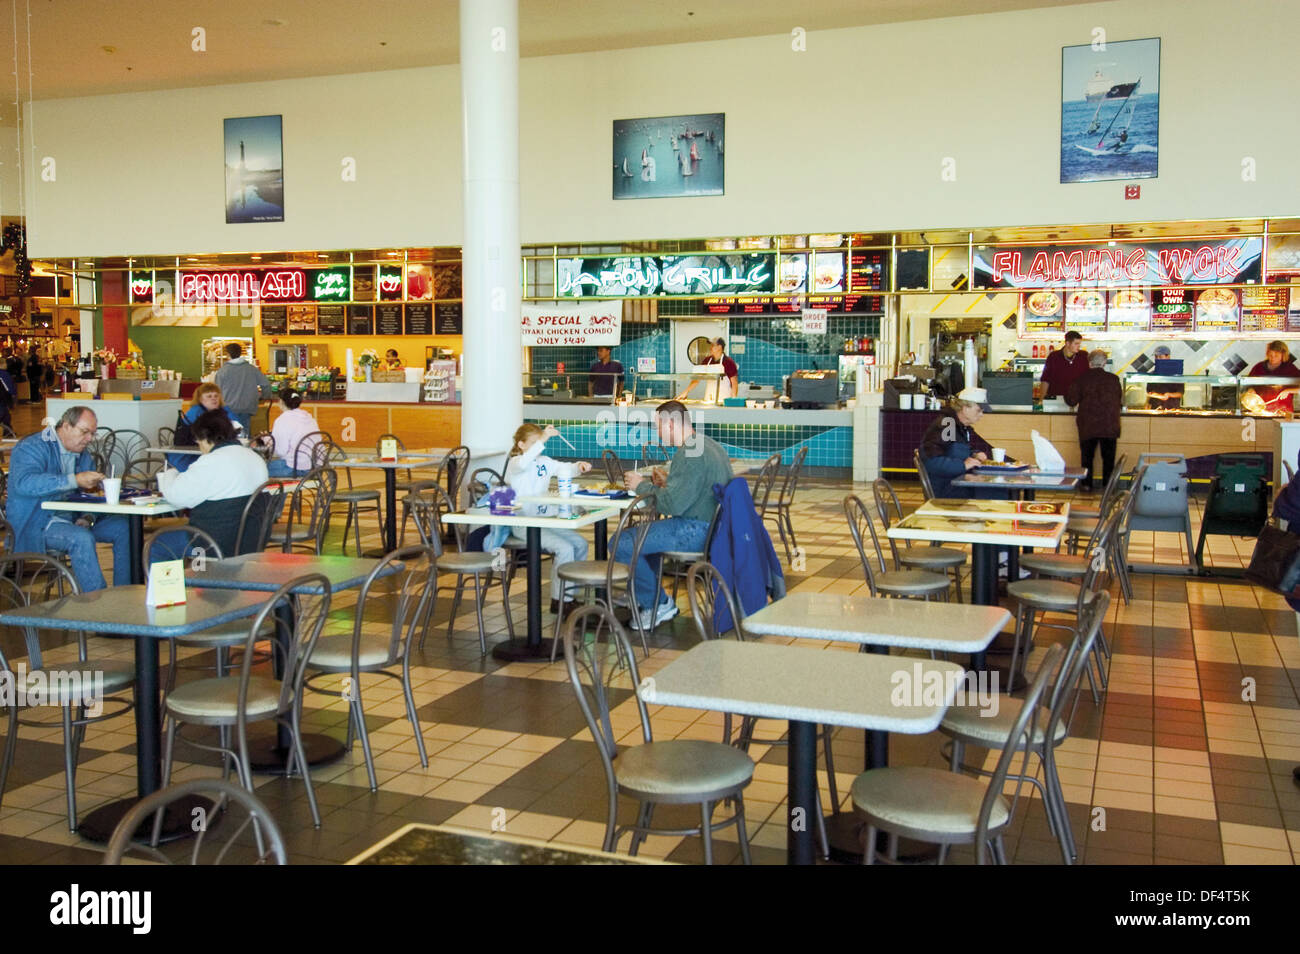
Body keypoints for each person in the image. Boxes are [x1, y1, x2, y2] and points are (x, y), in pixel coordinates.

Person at [619, 400, 732, 629]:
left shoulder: (688, 453)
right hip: (715, 528)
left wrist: (640, 485)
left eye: (658, 426)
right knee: (640, 543)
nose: (657, 432)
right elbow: (693, 487)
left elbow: (672, 505)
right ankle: (646, 594)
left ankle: (659, 604)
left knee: (621, 543)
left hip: (695, 529)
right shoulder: (707, 444)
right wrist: (668, 482)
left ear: (671, 424)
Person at [7, 405, 131, 592]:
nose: (89, 439)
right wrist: (74, 479)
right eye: (84, 432)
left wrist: (89, 516)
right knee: (80, 539)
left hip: (71, 519)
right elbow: (24, 483)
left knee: (123, 527)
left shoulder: (83, 455)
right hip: (34, 523)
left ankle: (125, 595)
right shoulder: (32, 447)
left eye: (92, 433)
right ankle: (99, 608)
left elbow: (88, 495)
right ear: (65, 426)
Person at [497, 423, 592, 615]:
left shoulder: (544, 461)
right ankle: (560, 601)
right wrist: (543, 439)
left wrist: (579, 467)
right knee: (564, 548)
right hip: (524, 523)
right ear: (521, 445)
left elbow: (565, 468)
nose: (538, 446)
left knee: (581, 545)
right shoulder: (516, 463)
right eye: (533, 443)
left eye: (539, 443)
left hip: (546, 520)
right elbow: (525, 462)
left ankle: (570, 594)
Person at [156, 409, 269, 557]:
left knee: (159, 545)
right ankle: (201, 576)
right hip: (253, 541)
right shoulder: (255, 458)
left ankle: (198, 576)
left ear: (205, 437)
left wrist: (170, 474)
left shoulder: (211, 461)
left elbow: (176, 497)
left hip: (212, 542)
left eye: (197, 440)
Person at [919, 386, 994, 499]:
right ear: (965, 408)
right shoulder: (947, 426)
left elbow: (953, 450)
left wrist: (973, 454)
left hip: (955, 484)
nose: (981, 415)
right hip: (947, 490)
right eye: (978, 410)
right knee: (996, 492)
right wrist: (962, 465)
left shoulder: (959, 426)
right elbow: (931, 461)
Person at [1066, 349, 1122, 492]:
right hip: (1109, 424)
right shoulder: (1114, 379)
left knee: (1087, 458)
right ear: (1104, 363)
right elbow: (1119, 400)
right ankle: (1108, 486)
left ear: (1089, 363)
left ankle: (1086, 485)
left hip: (1088, 424)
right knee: (1108, 459)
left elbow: (1071, 400)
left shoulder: (1082, 379)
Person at [167, 382, 240, 472]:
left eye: (216, 396)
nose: (213, 399)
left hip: (213, 451)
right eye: (209, 396)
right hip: (188, 454)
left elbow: (237, 426)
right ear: (200, 399)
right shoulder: (195, 413)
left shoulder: (224, 410)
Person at [213, 342, 271, 432]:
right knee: (244, 434)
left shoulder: (223, 371)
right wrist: (263, 396)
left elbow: (216, 391)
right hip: (247, 408)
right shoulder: (251, 369)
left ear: (228, 354)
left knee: (229, 434)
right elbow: (266, 384)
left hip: (229, 408)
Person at [262, 389, 319, 477]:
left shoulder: (282, 420)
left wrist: (268, 441)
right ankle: (282, 490)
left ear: (281, 402)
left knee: (258, 469)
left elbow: (281, 452)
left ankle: (278, 490)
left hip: (296, 468)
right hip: (316, 466)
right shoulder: (309, 417)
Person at [1241, 340, 1300, 412]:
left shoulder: (1290, 368)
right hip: (1260, 410)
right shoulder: (1259, 367)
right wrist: (1250, 390)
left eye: (1276, 356)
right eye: (1270, 355)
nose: (1273, 358)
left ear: (1283, 355)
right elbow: (1248, 383)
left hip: (1283, 411)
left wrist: (1288, 391)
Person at [1040, 330, 1088, 399]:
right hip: (1056, 398)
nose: (1079, 346)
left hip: (1078, 399)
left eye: (1079, 344)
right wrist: (1042, 399)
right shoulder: (1053, 357)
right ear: (1067, 343)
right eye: (1076, 344)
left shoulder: (1083, 356)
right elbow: (1045, 380)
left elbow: (1089, 378)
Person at [1144, 345, 1184, 410]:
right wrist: (1148, 402)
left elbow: (1180, 393)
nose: (1157, 359)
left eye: (1160, 356)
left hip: (1172, 409)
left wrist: (1169, 395)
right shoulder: (1152, 374)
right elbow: (1149, 392)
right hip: (1155, 409)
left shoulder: (1176, 374)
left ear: (1168, 356)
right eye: (1156, 357)